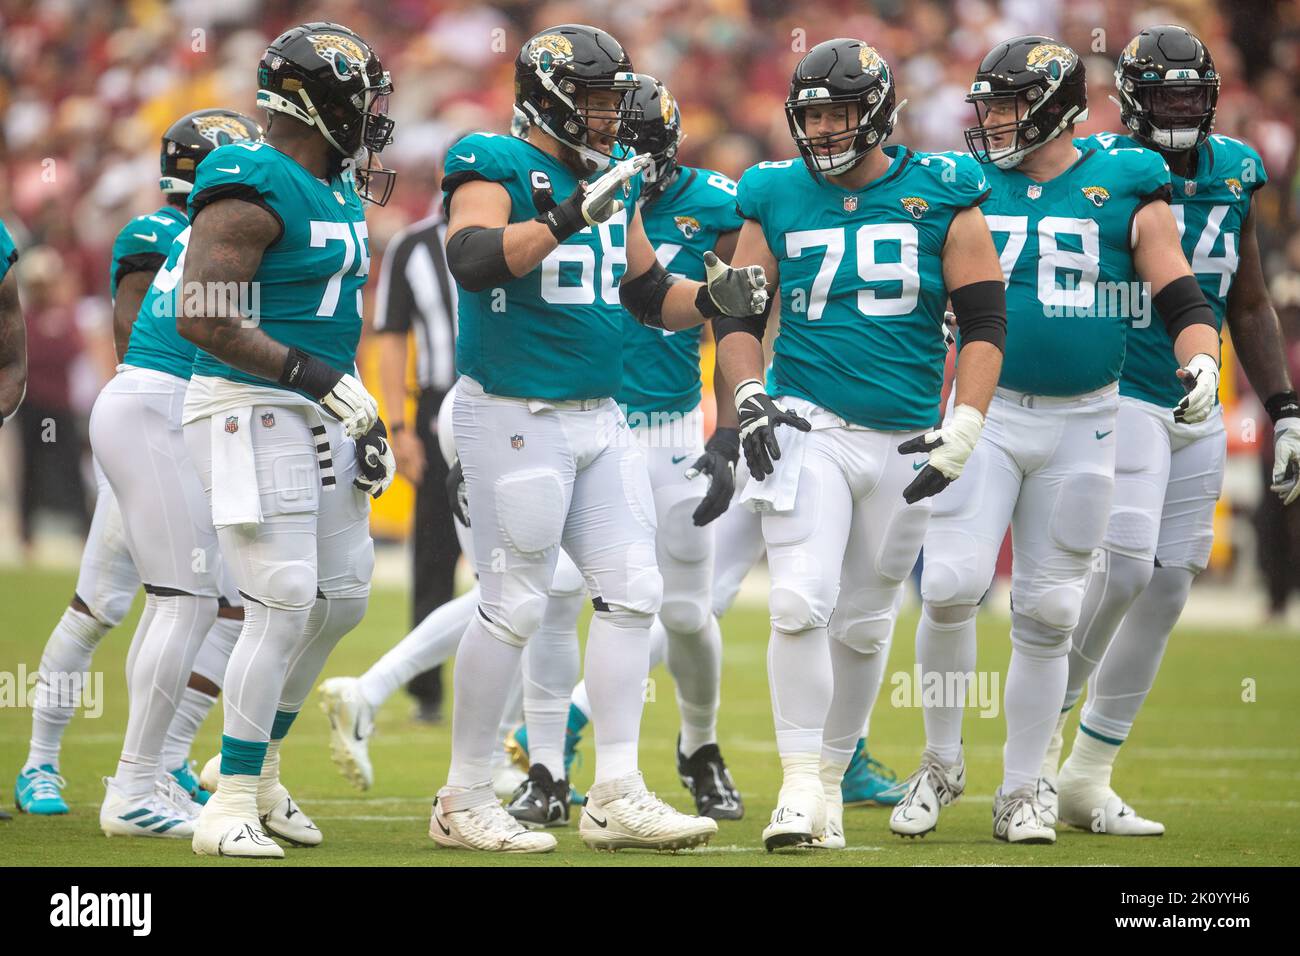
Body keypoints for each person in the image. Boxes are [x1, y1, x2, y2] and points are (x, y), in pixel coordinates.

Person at [432, 22, 766, 854]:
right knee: (514, 605)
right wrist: (573, 212)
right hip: (514, 414)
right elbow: (470, 257)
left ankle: (615, 789)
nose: (609, 116)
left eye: (613, 100)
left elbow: (650, 293)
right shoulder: (494, 159)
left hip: (600, 417)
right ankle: (463, 797)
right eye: (592, 98)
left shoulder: (610, 180)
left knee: (636, 593)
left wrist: (724, 295)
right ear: (546, 95)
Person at [890, 36, 1222, 845]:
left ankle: (1024, 786)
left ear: (1060, 108)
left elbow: (1180, 293)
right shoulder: (963, 185)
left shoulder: (1127, 181)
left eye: (1009, 104)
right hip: (990, 411)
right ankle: (939, 762)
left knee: (1046, 608)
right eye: (989, 104)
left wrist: (1203, 362)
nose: (992, 121)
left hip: (1087, 420)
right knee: (949, 585)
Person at [717, 38, 1006, 851]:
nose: (824, 129)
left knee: (865, 624)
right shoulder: (774, 191)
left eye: (839, 112)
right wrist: (747, 394)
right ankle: (799, 787)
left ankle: (832, 789)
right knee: (798, 600)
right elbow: (738, 313)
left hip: (909, 436)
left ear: (877, 112)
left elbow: (985, 323)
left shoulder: (944, 188)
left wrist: (968, 424)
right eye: (811, 115)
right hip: (812, 424)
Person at [1046, 24, 1300, 835]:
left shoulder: (1234, 169)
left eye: (1194, 94)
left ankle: (1087, 774)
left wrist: (1285, 405)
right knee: (1122, 569)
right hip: (1121, 387)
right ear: (1131, 100)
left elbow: (1248, 298)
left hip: (1199, 396)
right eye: (1166, 94)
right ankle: (1044, 711)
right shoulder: (1103, 170)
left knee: (1169, 582)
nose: (1182, 109)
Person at [177, 21, 396, 859]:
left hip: (316, 400)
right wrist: (317, 381)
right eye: (357, 98)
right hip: (245, 401)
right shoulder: (251, 176)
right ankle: (226, 801)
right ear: (311, 100)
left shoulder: (338, 186)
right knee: (284, 593)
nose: (370, 116)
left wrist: (356, 399)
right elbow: (203, 315)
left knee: (343, 596)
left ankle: (261, 771)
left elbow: (336, 322)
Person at [14, 112, 256, 821]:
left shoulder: (232, 228)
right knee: (105, 605)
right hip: (159, 426)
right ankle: (42, 763)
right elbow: (136, 333)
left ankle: (165, 760)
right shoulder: (157, 233)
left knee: (232, 607)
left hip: (201, 427)